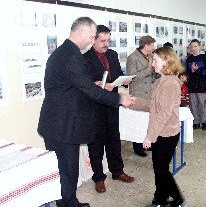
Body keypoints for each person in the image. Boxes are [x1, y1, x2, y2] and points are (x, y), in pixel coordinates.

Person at [37, 17, 133, 207]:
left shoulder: (66, 53)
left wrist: (92, 84)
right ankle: (69, 204)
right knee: (67, 171)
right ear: (80, 32)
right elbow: (89, 92)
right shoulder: (71, 56)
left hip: (60, 122)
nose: (92, 40)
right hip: (62, 125)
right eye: (91, 36)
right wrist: (120, 99)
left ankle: (70, 202)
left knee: (67, 170)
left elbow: (76, 85)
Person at [130, 46, 186, 207]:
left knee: (161, 170)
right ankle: (160, 198)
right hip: (160, 133)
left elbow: (163, 114)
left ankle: (178, 200)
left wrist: (150, 137)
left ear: (166, 62)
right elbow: (151, 105)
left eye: (155, 60)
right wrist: (131, 101)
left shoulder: (170, 84)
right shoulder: (160, 81)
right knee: (159, 169)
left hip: (166, 134)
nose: (152, 63)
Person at [83, 25, 134, 194]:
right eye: (102, 41)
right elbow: (84, 83)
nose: (106, 44)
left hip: (112, 104)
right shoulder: (85, 58)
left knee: (114, 139)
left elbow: (117, 73)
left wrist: (124, 81)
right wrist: (95, 84)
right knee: (96, 143)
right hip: (95, 107)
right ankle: (98, 177)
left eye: (108, 40)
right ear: (94, 40)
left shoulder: (112, 54)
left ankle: (117, 171)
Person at [126, 35, 156, 157]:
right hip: (138, 92)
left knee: (148, 120)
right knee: (138, 121)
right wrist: (149, 70)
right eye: (152, 45)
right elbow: (133, 75)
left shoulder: (151, 56)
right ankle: (137, 147)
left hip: (149, 91)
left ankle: (147, 143)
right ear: (146, 45)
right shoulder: (132, 58)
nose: (154, 47)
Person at [186, 39, 206, 130]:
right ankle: (196, 121)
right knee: (193, 104)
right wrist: (191, 71)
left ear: (199, 47)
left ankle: (204, 121)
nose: (193, 48)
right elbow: (187, 73)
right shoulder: (188, 59)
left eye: (195, 46)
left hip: (202, 85)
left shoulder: (204, 58)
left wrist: (198, 70)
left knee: (202, 104)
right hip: (192, 85)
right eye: (191, 47)